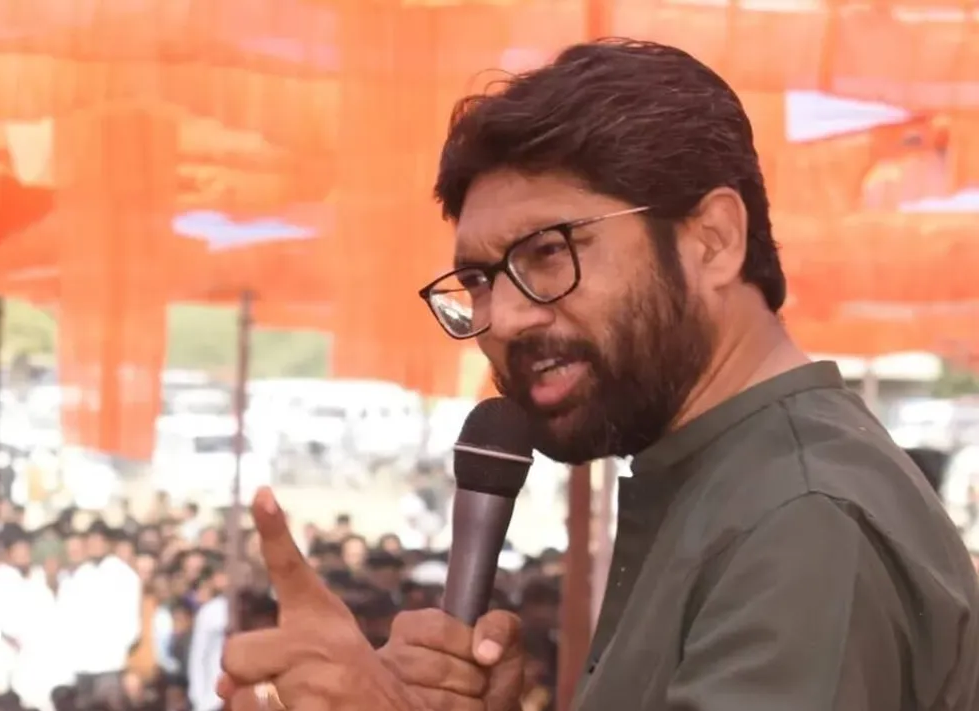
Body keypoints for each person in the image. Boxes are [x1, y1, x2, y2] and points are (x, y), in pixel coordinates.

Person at [217, 39, 979, 711]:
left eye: (549, 252)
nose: (504, 319)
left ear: (713, 241)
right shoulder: (726, 480)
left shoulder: (802, 520)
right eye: (479, 281)